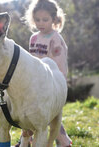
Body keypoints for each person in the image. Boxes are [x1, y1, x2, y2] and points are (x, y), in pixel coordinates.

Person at [15, 0, 72, 146]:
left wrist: (59, 85)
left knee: (51, 119)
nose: (41, 23)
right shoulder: (33, 38)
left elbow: (59, 66)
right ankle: (27, 141)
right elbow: (31, 61)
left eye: (45, 20)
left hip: (51, 85)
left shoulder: (56, 39)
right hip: (34, 85)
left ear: (54, 19)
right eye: (37, 19)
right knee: (34, 116)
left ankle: (64, 142)